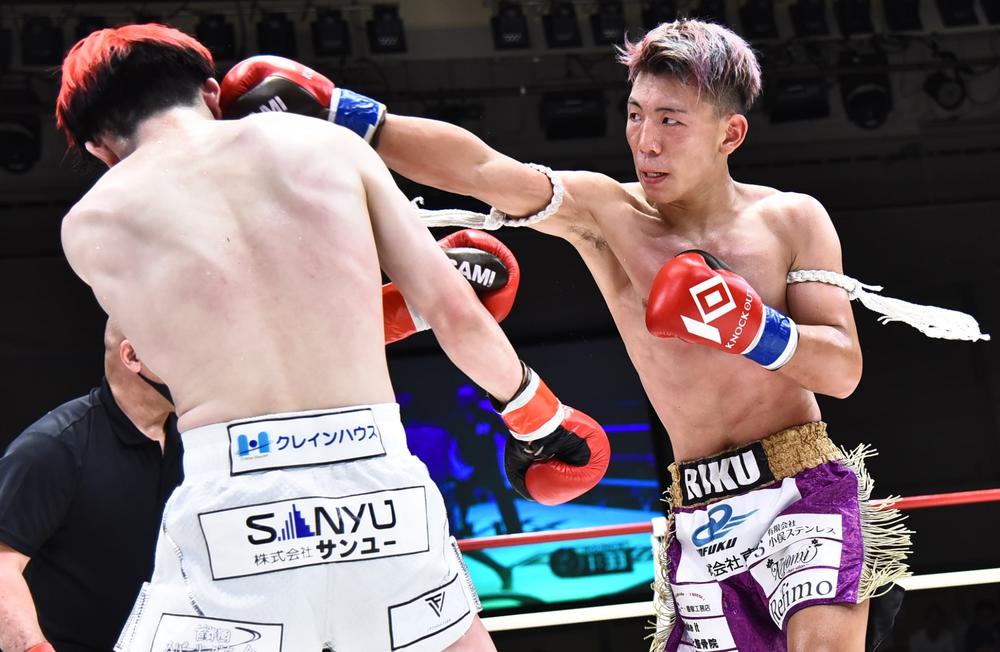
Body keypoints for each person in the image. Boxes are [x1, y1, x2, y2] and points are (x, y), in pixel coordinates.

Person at [218, 18, 991, 652]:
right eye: (635, 115)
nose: (645, 140)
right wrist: (348, 114)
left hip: (801, 488)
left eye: (671, 121)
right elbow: (484, 171)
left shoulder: (791, 219)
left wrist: (751, 328)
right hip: (698, 513)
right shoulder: (606, 214)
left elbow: (843, 370)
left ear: (730, 132)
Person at [56, 24, 609, 652]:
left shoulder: (89, 224)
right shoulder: (330, 146)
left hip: (235, 501)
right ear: (211, 91)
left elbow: (161, 364)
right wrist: (541, 418)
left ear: (99, 148)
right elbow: (455, 310)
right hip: (380, 488)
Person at [0, 321, 181, 652]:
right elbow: (2, 567)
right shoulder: (53, 447)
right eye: (181, 349)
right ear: (132, 356)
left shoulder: (197, 441)